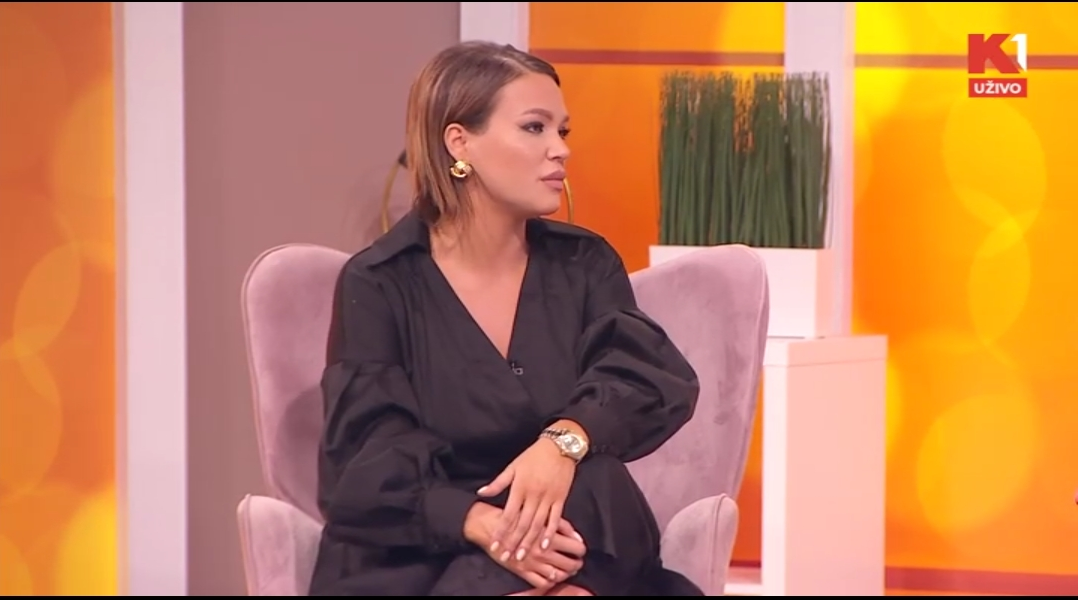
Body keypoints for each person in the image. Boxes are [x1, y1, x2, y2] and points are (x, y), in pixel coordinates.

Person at [309, 41, 703, 597]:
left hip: (573, 522)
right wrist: (479, 522)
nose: (560, 150)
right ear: (459, 142)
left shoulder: (584, 263)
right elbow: (366, 458)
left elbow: (643, 377)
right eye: (534, 128)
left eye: (562, 131)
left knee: (595, 478)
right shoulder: (378, 282)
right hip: (427, 546)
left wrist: (561, 445)